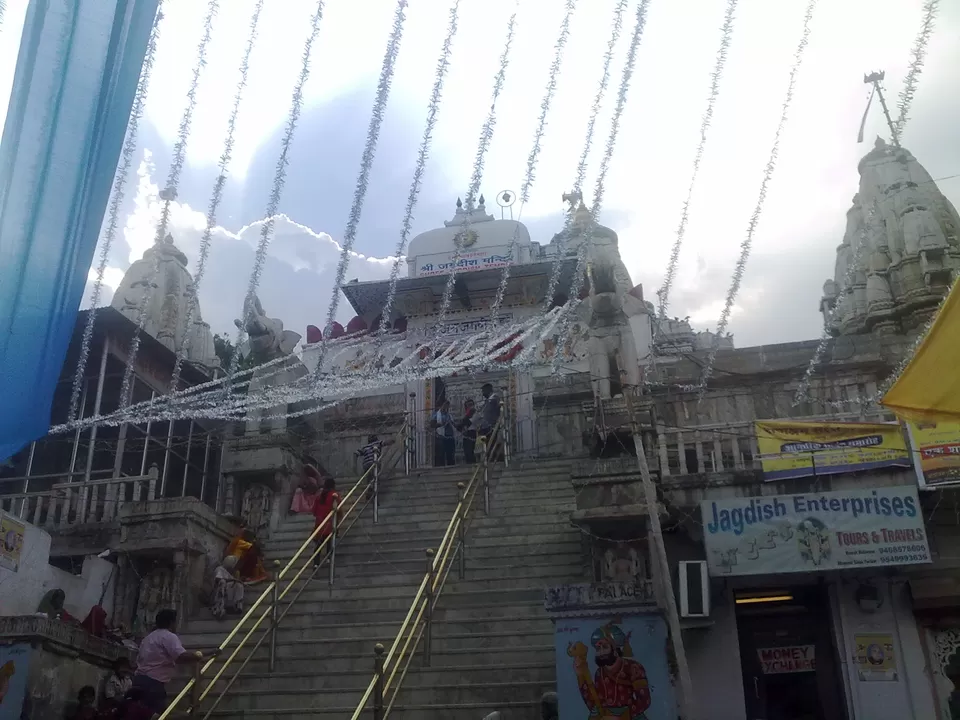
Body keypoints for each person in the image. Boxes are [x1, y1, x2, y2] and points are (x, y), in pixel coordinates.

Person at [132, 609, 216, 714]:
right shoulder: (168, 636)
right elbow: (181, 656)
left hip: (139, 680)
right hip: (153, 684)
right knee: (155, 714)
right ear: (172, 622)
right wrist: (203, 654)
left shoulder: (148, 638)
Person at [311, 477, 342, 569]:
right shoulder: (335, 495)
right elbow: (339, 509)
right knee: (329, 540)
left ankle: (316, 564)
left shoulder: (319, 496)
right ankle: (329, 558)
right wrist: (339, 519)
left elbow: (314, 512)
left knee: (318, 545)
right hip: (330, 522)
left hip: (320, 524)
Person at [210, 555, 244, 620]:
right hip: (218, 590)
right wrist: (233, 580)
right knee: (224, 583)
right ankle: (221, 607)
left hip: (228, 589)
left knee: (239, 586)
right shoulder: (220, 569)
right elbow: (218, 579)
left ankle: (237, 606)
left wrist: (237, 581)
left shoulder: (228, 572)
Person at [479, 383, 502, 461]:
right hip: (485, 427)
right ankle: (489, 459)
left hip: (492, 427)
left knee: (492, 444)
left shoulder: (495, 399)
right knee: (487, 445)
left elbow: (499, 411)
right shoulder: (487, 401)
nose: (482, 393)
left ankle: (494, 459)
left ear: (488, 390)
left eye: (483, 391)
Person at [431, 399, 456, 466]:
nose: (446, 407)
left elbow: (454, 425)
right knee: (441, 454)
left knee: (450, 454)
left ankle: (451, 467)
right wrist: (441, 424)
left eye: (447, 406)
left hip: (450, 436)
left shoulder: (449, 415)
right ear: (441, 406)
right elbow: (432, 425)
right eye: (445, 405)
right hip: (441, 436)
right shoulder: (436, 414)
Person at [458, 399, 477, 464]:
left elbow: (469, 422)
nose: (469, 406)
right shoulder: (466, 414)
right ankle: (468, 463)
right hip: (465, 433)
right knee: (466, 450)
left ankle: (472, 463)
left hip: (472, 432)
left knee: (470, 450)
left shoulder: (474, 413)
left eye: (471, 405)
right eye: (468, 405)